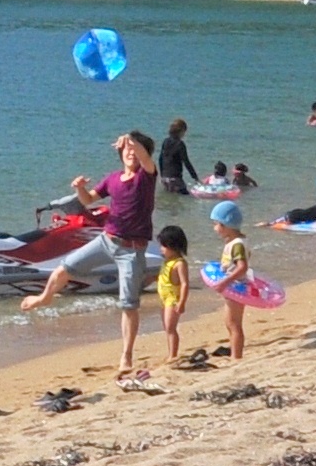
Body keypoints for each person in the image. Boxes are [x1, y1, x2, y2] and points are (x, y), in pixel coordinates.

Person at [19, 132, 159, 381]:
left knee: (128, 304)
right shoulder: (113, 179)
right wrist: (80, 188)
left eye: (133, 149)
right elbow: (89, 200)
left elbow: (145, 156)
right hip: (106, 240)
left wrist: (130, 140)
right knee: (63, 269)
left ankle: (126, 355)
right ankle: (44, 298)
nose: (129, 152)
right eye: (125, 149)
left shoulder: (146, 177)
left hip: (132, 249)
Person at [211, 201, 251, 360]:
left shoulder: (237, 245)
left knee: (233, 324)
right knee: (230, 323)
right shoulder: (235, 242)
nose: (214, 228)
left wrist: (225, 282)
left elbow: (242, 267)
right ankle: (235, 354)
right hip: (234, 287)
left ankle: (236, 357)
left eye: (216, 224)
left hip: (237, 287)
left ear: (226, 224)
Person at [154, 225, 192, 364]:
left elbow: (184, 284)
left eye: (164, 246)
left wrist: (182, 302)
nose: (161, 249)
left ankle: (173, 354)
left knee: (171, 327)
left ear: (173, 246)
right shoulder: (167, 262)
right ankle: (170, 352)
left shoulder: (179, 264)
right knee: (166, 326)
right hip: (164, 298)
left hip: (173, 299)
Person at [157, 118, 194, 195]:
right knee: (187, 196)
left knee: (169, 198)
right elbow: (186, 162)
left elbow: (160, 159)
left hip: (165, 178)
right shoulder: (180, 144)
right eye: (184, 132)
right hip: (175, 179)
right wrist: (195, 177)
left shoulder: (165, 141)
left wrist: (162, 174)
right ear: (181, 131)